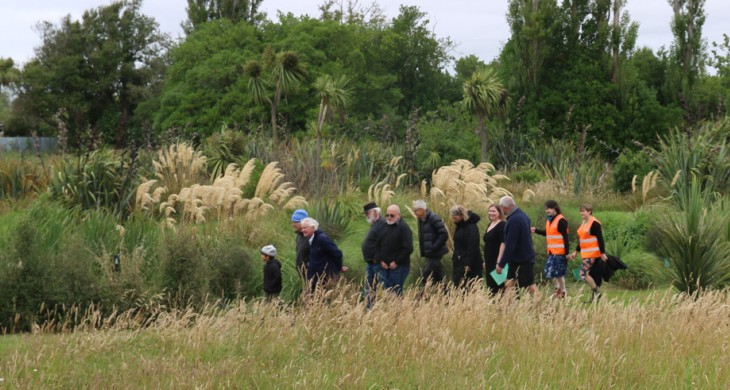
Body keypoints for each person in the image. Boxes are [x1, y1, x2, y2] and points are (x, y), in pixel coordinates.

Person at [496, 196, 538, 296]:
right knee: (509, 283)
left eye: (501, 208)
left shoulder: (514, 220)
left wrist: (501, 264)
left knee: (530, 286)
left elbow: (510, 244)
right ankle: (506, 308)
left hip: (523, 259)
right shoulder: (523, 215)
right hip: (518, 258)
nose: (501, 211)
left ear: (505, 207)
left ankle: (543, 307)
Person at [568, 204, 607, 302]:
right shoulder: (584, 222)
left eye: (583, 211)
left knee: (583, 274)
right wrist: (576, 251)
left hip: (593, 253)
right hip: (586, 254)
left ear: (589, 212)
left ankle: (598, 294)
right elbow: (582, 239)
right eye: (580, 211)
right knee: (590, 275)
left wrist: (602, 253)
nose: (581, 213)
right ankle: (595, 296)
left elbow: (600, 239)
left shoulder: (594, 223)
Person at [531, 200, 570, 298]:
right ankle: (557, 290)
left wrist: (566, 253)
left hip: (560, 252)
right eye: (546, 209)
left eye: (548, 208)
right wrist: (536, 230)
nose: (547, 210)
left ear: (555, 208)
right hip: (552, 252)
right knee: (551, 271)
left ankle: (563, 292)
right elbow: (548, 233)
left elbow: (565, 238)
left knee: (559, 273)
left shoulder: (561, 220)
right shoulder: (550, 220)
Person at [301, 217, 346, 293]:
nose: (302, 230)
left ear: (313, 228)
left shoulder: (322, 239)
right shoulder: (313, 239)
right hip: (315, 278)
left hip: (323, 279)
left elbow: (337, 253)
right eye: (302, 228)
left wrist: (338, 268)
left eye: (305, 228)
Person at [376, 204, 413, 295]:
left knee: (396, 293)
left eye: (392, 215)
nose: (389, 217)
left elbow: (408, 248)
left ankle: (399, 309)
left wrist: (396, 262)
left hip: (399, 267)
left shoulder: (404, 228)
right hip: (384, 266)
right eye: (387, 215)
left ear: (398, 216)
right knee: (388, 293)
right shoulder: (383, 226)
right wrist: (381, 261)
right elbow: (377, 245)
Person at [413, 200, 449, 287]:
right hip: (429, 253)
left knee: (425, 276)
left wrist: (434, 247)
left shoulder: (434, 218)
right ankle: (447, 296)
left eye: (415, 210)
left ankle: (422, 296)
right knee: (438, 277)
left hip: (435, 253)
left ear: (422, 210)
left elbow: (444, 234)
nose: (414, 213)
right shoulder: (421, 219)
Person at [450, 205, 483, 287]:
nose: (454, 216)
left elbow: (473, 245)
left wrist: (468, 263)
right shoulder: (460, 226)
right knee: (458, 285)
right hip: (460, 259)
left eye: (456, 214)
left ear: (462, 215)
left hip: (469, 262)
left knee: (468, 285)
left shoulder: (471, 226)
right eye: (452, 214)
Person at [362, 202, 386, 305]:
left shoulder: (382, 224)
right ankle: (370, 310)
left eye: (368, 213)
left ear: (375, 212)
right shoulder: (375, 224)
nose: (366, 215)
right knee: (370, 288)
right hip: (371, 263)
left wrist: (378, 258)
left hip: (377, 263)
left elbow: (385, 243)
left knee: (385, 287)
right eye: (366, 213)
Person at [483, 203, 506, 295]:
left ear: (499, 213)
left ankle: (502, 304)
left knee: (499, 283)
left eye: (494, 211)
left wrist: (499, 261)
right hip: (489, 259)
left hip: (497, 258)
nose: (491, 213)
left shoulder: (502, 224)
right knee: (490, 284)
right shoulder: (490, 224)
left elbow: (503, 243)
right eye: (490, 211)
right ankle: (493, 304)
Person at [291, 209, 310, 280]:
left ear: (303, 222)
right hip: (303, 275)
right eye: (292, 222)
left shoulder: (312, 236)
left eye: (295, 222)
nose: (293, 225)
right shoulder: (299, 235)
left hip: (313, 275)